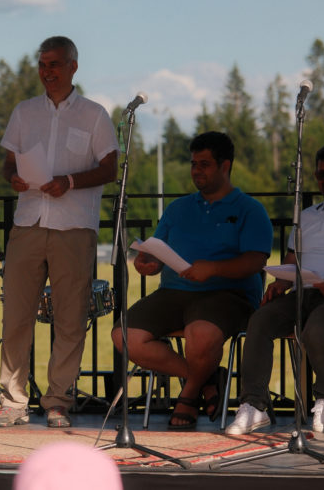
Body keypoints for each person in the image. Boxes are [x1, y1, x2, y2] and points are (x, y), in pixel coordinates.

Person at [0, 36, 118, 429]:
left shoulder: (95, 115)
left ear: (73, 67)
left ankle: (58, 400)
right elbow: (8, 163)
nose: (48, 71)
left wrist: (70, 181)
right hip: (28, 222)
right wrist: (12, 178)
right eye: (43, 64)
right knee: (16, 316)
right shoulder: (24, 112)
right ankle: (12, 401)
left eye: (55, 64)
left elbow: (111, 168)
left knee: (69, 318)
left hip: (74, 227)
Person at [111, 131, 273, 430]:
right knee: (124, 336)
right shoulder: (177, 208)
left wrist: (213, 269)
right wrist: (148, 263)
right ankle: (205, 378)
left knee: (200, 333)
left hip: (229, 295)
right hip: (174, 291)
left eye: (205, 164)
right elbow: (157, 251)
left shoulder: (250, 209)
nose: (197, 170)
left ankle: (188, 394)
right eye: (193, 163)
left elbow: (256, 261)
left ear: (225, 166)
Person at [226, 143, 324, 435]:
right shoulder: (307, 216)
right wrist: (280, 283)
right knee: (260, 320)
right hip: (304, 293)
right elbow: (291, 260)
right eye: (323, 174)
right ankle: (254, 405)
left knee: (318, 327)